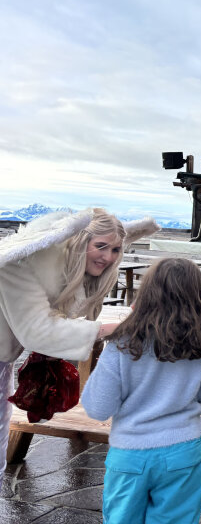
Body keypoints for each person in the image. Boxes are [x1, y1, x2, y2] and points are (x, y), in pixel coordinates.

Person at [0, 208, 158, 485]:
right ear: (80, 240)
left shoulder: (66, 266)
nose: (108, 257)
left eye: (115, 250)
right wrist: (118, 328)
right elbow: (38, 330)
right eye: (101, 246)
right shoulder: (21, 263)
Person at [82, 258, 201, 524]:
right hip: (183, 450)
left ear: (146, 292)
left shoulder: (122, 341)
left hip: (130, 454)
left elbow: (98, 407)